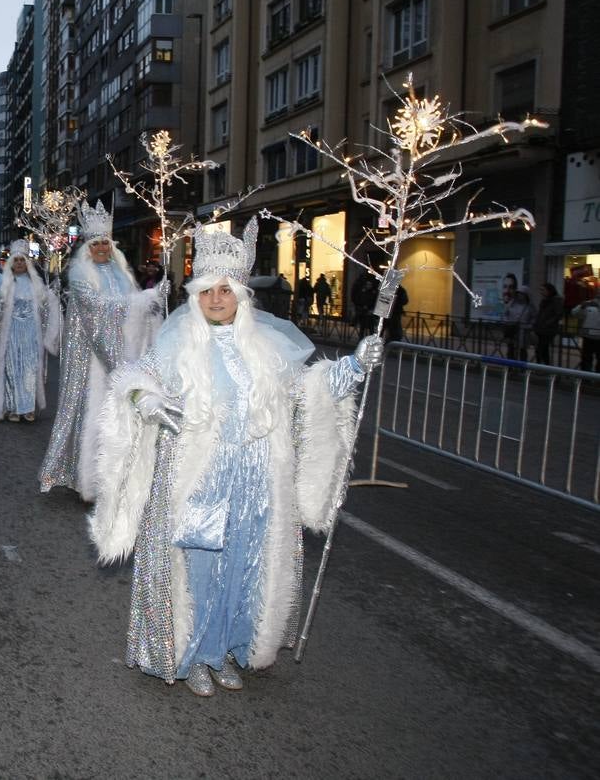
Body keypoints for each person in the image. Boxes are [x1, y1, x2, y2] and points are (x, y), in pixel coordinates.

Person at [89, 218, 384, 697]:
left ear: (241, 295)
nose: (216, 299)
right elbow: (136, 377)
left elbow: (305, 391)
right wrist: (145, 399)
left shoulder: (268, 342)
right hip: (201, 477)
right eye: (207, 291)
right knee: (201, 569)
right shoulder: (178, 339)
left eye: (226, 290)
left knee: (246, 565)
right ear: (196, 295)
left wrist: (353, 364)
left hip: (256, 480)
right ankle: (195, 655)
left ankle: (228, 648)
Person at [39, 202, 163, 500]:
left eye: (106, 242)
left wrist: (154, 302)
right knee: (95, 414)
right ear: (88, 247)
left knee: (122, 416)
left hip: (125, 352)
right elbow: (94, 308)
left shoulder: (123, 275)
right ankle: (90, 480)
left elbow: (134, 309)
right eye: (96, 244)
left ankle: (119, 477)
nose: (102, 248)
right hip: (93, 359)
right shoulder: (81, 275)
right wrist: (141, 301)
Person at [0, 239, 61, 422]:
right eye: (16, 260)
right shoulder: (5, 284)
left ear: (27, 263)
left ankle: (28, 408)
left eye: (23, 260)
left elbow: (47, 304)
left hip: (31, 333)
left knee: (30, 369)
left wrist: (54, 293)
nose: (20, 263)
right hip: (11, 333)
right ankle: (13, 407)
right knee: (11, 368)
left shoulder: (36, 285)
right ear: (11, 264)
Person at [533, 283, 563, 366]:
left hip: (549, 329)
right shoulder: (544, 300)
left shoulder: (556, 300)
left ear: (549, 290)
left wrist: (548, 322)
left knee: (541, 348)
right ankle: (544, 366)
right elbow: (540, 313)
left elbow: (558, 314)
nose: (541, 292)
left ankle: (543, 366)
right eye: (540, 290)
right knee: (542, 349)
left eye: (543, 290)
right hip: (541, 327)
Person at [573, 290, 600, 372]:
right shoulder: (588, 304)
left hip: (595, 336)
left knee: (594, 359)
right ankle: (586, 377)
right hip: (588, 336)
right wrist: (582, 306)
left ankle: (595, 377)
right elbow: (574, 313)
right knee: (586, 358)